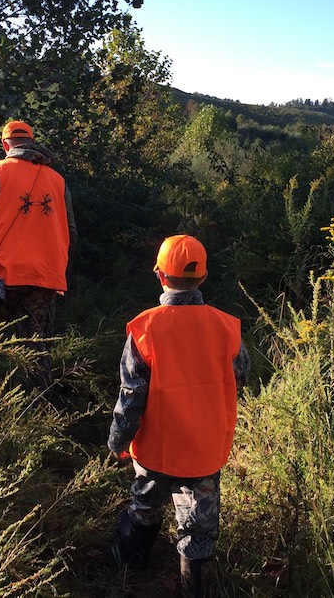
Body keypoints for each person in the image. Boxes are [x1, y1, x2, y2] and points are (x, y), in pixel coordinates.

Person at [107, 234, 250, 597]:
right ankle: (193, 589)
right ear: (203, 278)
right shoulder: (226, 326)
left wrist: (118, 441)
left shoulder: (145, 328)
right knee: (197, 528)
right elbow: (240, 377)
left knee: (145, 506)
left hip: (155, 447)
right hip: (204, 450)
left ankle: (130, 566)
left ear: (160, 275)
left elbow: (132, 395)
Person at [0, 120, 77, 390]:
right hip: (43, 280)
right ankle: (40, 413)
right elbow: (72, 234)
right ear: (31, 142)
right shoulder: (58, 181)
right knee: (36, 353)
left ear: (5, 145)